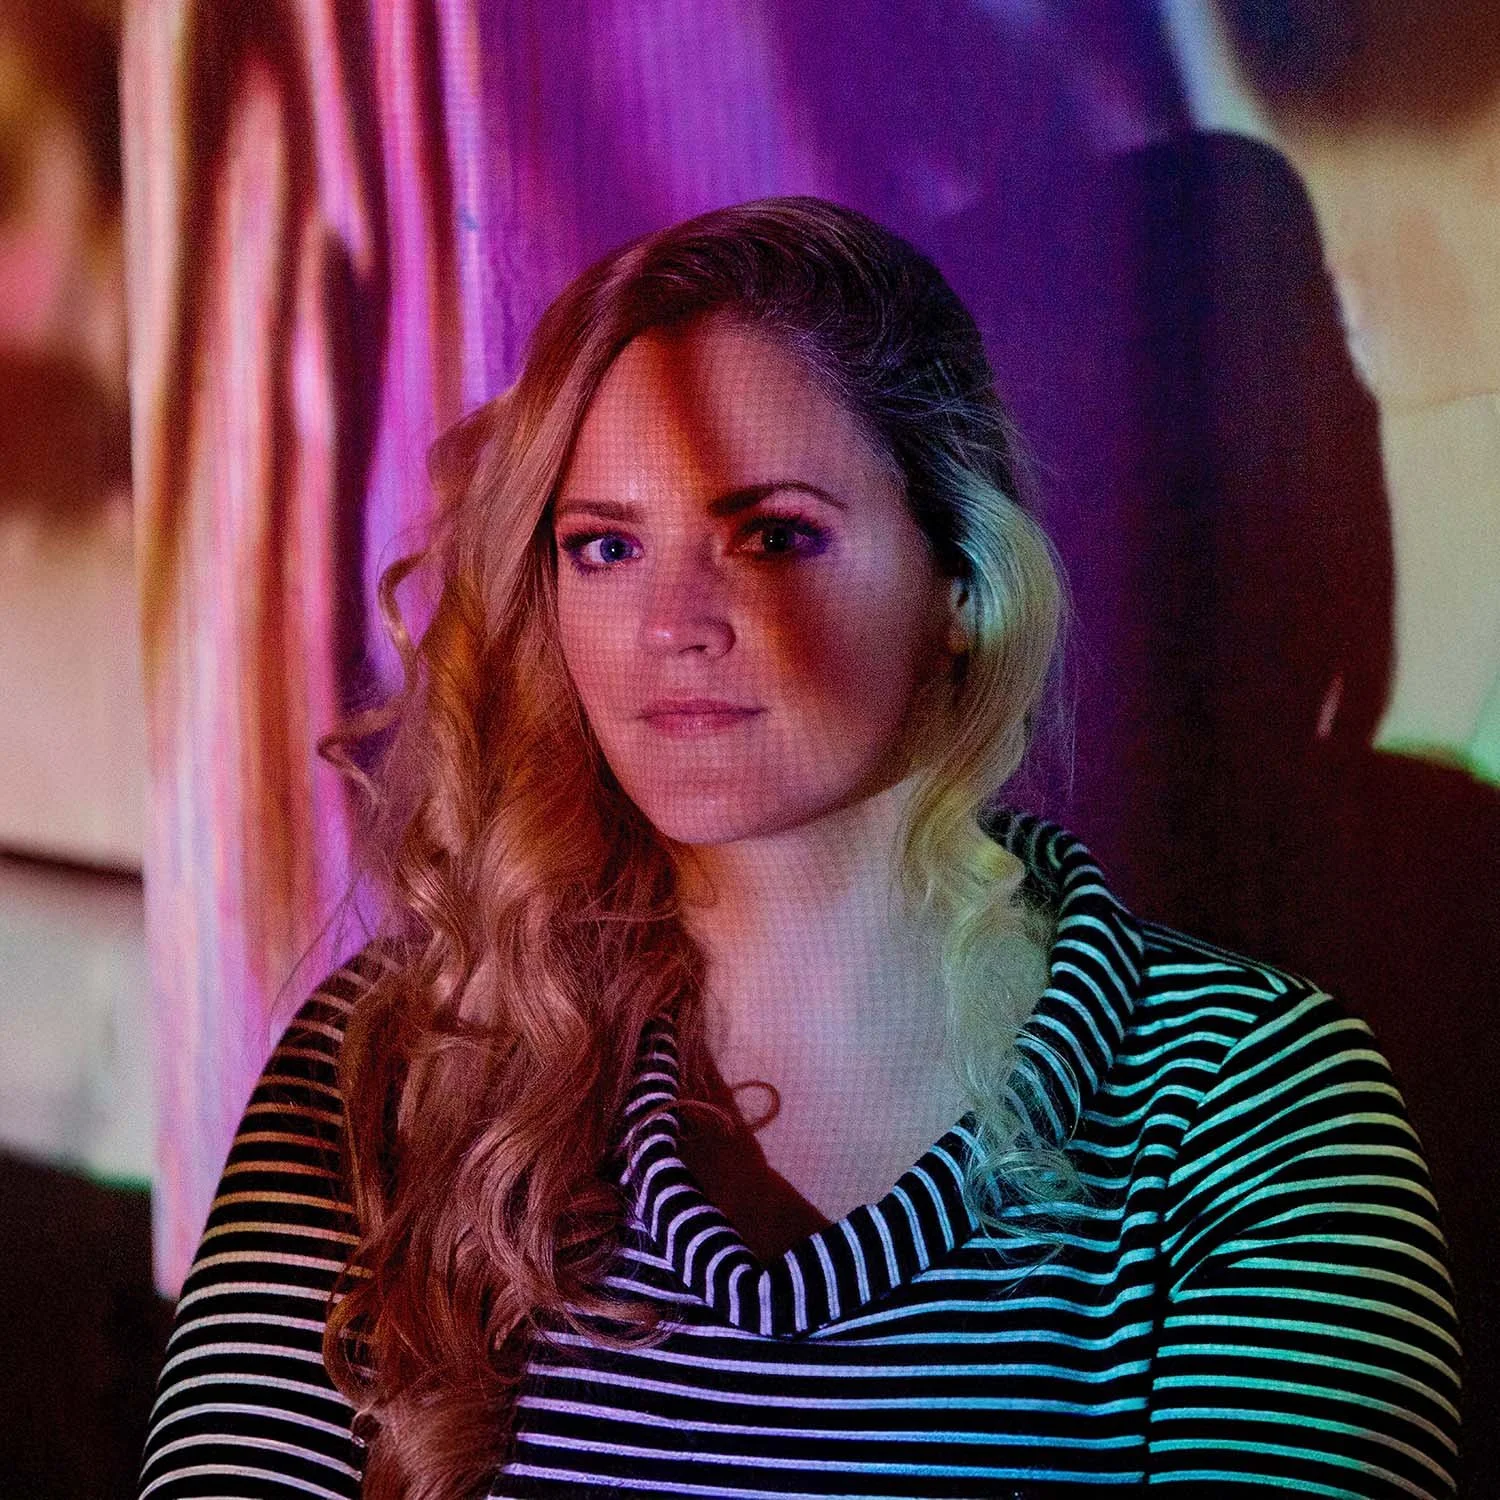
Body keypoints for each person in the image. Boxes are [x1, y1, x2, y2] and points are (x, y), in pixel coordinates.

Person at [137, 197, 1461, 1500]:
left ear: (961, 583)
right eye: (605, 545)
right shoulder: (398, 1069)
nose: (672, 623)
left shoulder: (1244, 1099)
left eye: (772, 535)